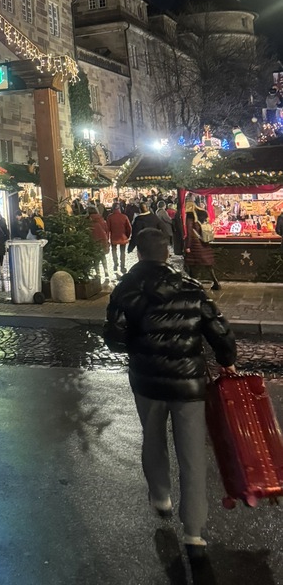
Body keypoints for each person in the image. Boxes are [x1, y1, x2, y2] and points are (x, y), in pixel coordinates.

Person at [103, 228, 237, 566]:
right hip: (189, 385)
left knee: (152, 438)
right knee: (192, 454)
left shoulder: (125, 290)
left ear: (138, 254)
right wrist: (227, 360)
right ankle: (194, 531)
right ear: (167, 253)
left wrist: (136, 342)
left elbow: (115, 340)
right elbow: (218, 329)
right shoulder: (192, 289)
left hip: (147, 382)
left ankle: (160, 496)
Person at [184, 211, 221, 291]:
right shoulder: (201, 214)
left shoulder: (190, 217)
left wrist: (188, 245)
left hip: (195, 244)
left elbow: (190, 232)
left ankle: (193, 284)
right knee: (208, 264)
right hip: (204, 241)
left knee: (192, 265)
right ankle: (216, 282)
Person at [86, 203, 111, 282]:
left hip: (93, 241)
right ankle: (106, 271)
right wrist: (107, 240)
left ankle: (98, 273)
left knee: (95, 259)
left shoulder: (87, 221)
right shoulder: (101, 219)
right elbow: (107, 230)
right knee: (103, 256)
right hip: (103, 240)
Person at [107, 202, 131, 276]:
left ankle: (115, 264)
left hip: (114, 237)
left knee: (114, 251)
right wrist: (127, 235)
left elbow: (107, 228)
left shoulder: (110, 217)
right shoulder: (124, 216)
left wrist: (108, 238)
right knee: (122, 252)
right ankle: (122, 266)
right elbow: (129, 228)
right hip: (123, 237)